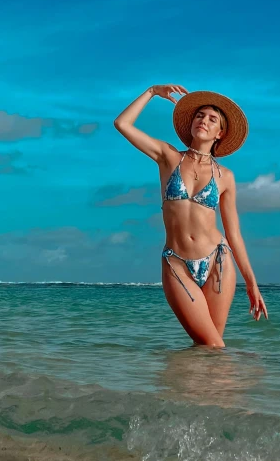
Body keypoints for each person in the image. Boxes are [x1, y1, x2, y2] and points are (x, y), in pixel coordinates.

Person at [114, 84, 268, 348]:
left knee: (209, 348)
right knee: (212, 345)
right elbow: (122, 124)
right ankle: (222, 387)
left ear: (220, 133)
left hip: (218, 261)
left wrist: (252, 284)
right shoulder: (168, 156)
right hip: (177, 263)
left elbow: (234, 234)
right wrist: (151, 93)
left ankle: (199, 390)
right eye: (199, 115)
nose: (203, 121)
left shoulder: (226, 177)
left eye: (212, 119)